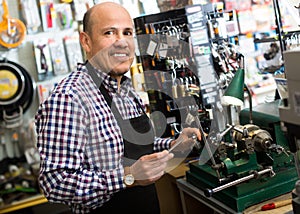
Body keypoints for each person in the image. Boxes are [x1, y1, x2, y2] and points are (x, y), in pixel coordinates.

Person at [35, 2, 201, 214]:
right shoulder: (69, 98)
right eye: (109, 33)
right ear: (86, 41)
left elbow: (134, 147)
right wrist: (128, 176)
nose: (121, 42)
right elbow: (55, 183)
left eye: (127, 32)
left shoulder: (125, 89)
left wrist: (173, 144)